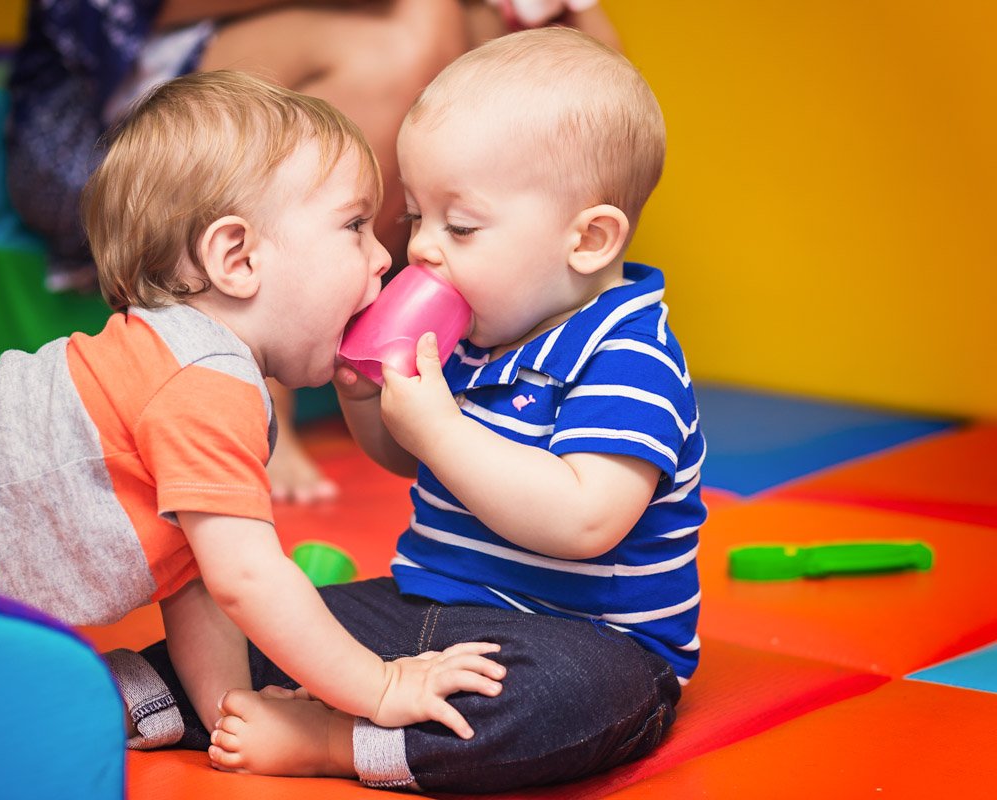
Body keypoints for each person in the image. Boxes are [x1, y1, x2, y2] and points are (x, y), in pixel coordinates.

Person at [0, 71, 506, 745]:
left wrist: (229, 709)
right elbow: (246, 577)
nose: (383, 257)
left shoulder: (192, 362)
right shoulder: (203, 383)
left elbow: (194, 573)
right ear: (236, 258)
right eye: (354, 226)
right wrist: (381, 686)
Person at [106, 27, 706, 793]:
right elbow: (409, 459)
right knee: (293, 623)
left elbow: (585, 521)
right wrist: (368, 405)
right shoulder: (476, 331)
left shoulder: (627, 354)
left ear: (587, 239)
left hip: (583, 639)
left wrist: (442, 427)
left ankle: (337, 739)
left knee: (568, 701)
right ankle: (124, 695)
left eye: (459, 226)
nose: (420, 249)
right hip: (424, 606)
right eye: (415, 215)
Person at [4, 0, 624, 504]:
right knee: (421, 20)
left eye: (451, 228)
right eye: (406, 221)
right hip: (106, 109)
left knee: (516, 42)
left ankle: (525, 346)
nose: (407, 255)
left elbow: (603, 85)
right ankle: (264, 380)